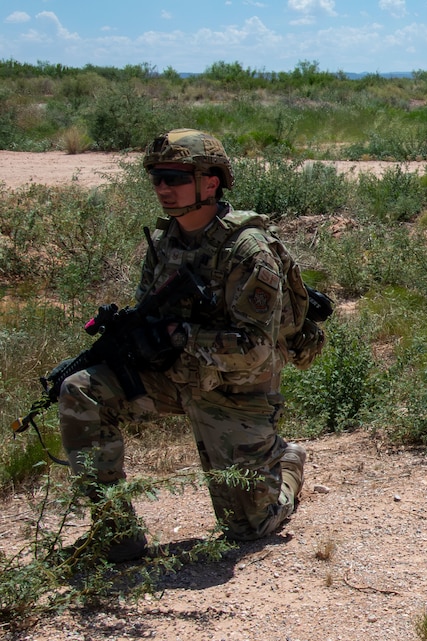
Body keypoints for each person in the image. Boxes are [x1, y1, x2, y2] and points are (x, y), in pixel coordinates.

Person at [58, 128, 309, 561]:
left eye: (174, 177)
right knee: (80, 389)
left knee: (250, 529)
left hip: (235, 390)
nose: (162, 188)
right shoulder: (166, 242)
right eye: (155, 177)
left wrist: (179, 337)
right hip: (177, 377)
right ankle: (114, 530)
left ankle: (286, 465)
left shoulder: (248, 250)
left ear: (210, 182)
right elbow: (150, 312)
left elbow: (256, 350)